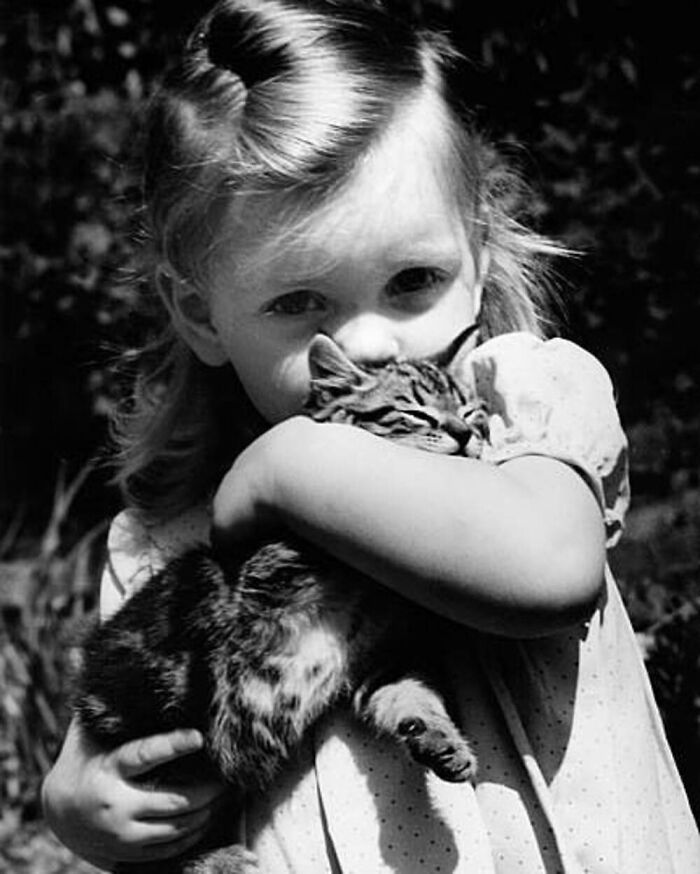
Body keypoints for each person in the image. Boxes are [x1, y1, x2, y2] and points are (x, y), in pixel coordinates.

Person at [42, 0, 700, 871]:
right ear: (201, 314)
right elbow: (132, 731)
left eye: (413, 280)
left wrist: (294, 461)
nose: (367, 341)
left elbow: (551, 568)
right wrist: (80, 807)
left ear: (475, 259)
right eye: (299, 304)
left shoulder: (523, 400)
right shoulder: (167, 536)